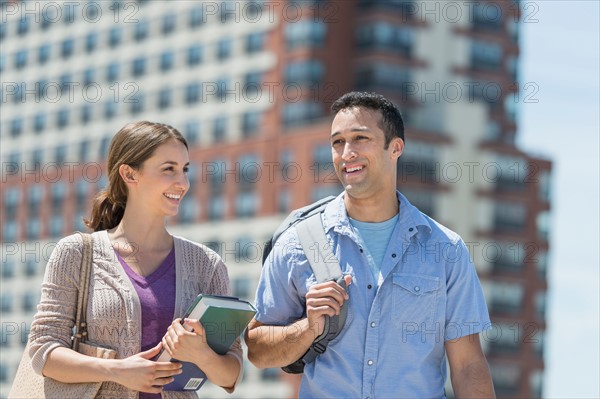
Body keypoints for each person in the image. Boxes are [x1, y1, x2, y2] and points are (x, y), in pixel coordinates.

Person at [246, 92, 495, 398]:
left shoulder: (445, 249)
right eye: (338, 142)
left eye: (360, 138)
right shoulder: (300, 243)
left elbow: (468, 365)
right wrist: (307, 328)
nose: (346, 152)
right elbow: (257, 350)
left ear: (396, 147)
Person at [27, 121, 242, 399]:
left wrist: (202, 354)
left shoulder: (207, 265)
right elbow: (43, 351)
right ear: (129, 174)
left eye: (185, 169)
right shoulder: (77, 253)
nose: (183, 183)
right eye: (169, 169)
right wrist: (114, 369)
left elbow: (231, 374)